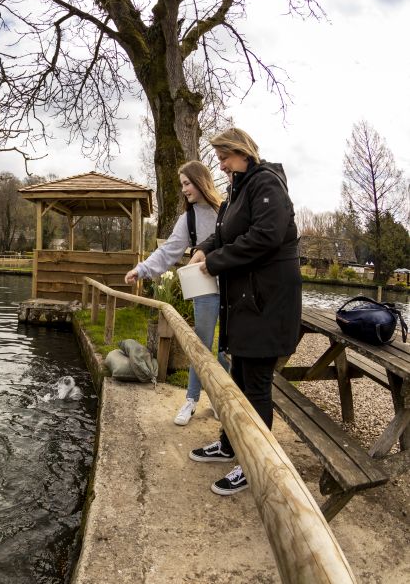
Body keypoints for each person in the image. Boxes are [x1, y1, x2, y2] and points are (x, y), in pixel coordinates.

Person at [187, 128, 301, 496]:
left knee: (257, 386)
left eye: (224, 157)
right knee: (238, 379)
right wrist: (205, 248)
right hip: (245, 303)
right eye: (218, 159)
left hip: (267, 303)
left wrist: (215, 262)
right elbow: (225, 233)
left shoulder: (266, 183)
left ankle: (256, 463)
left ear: (242, 151)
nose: (220, 165)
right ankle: (231, 444)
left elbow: (266, 236)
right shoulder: (239, 188)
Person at [125, 160, 228, 426]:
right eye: (181, 185)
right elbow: (169, 251)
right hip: (204, 288)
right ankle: (191, 400)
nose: (183, 189)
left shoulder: (226, 209)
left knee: (227, 349)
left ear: (200, 180)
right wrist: (142, 269)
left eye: (187, 183)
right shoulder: (188, 218)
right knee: (200, 346)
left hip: (232, 287)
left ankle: (220, 400)